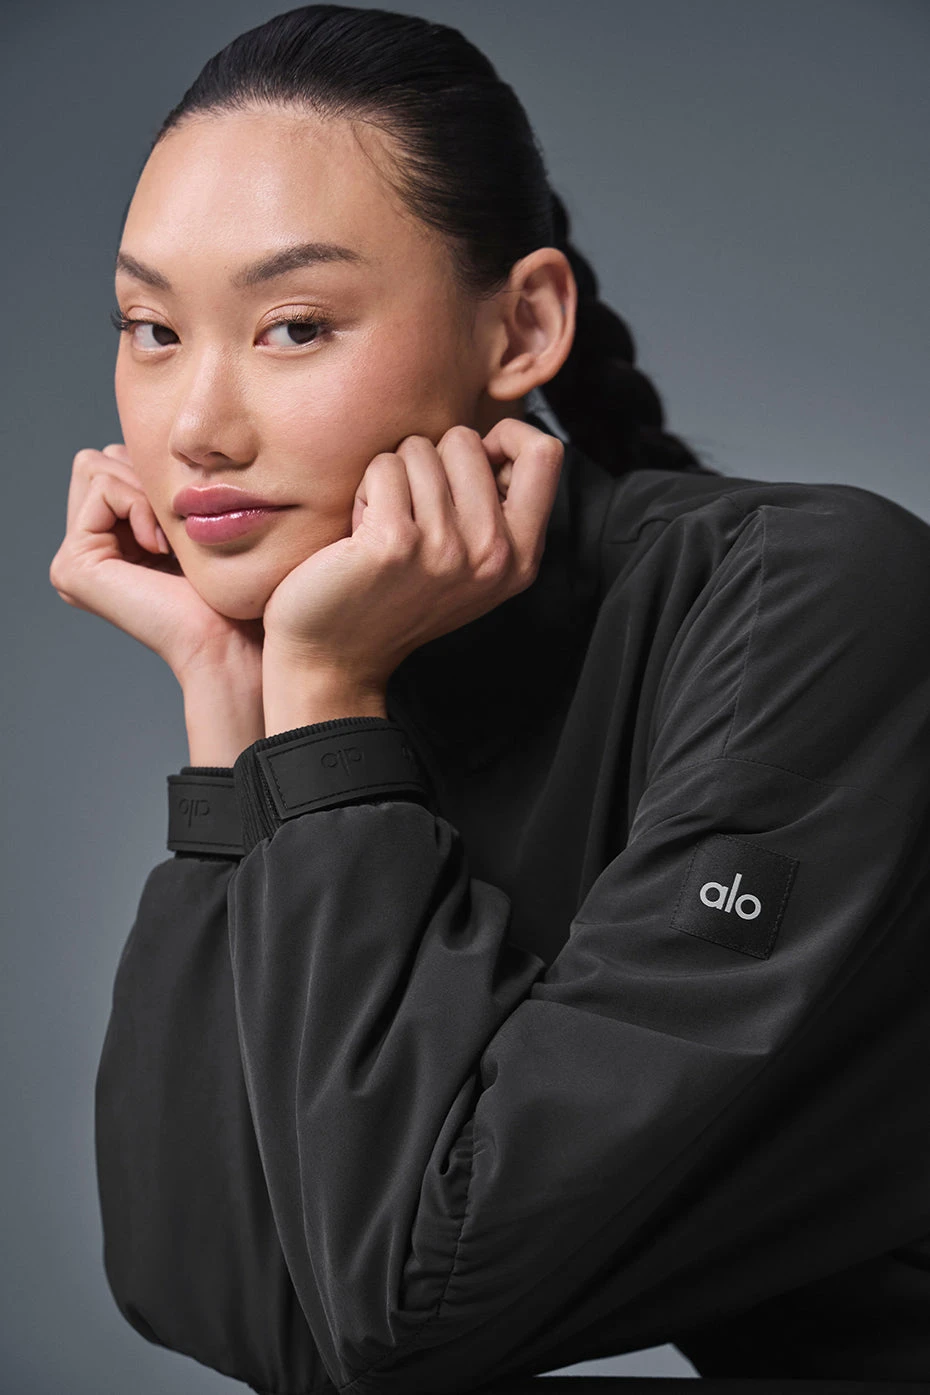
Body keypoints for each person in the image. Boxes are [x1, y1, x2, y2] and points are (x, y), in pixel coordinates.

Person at [48, 6, 930, 1391]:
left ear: (523, 326)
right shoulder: (361, 679)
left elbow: (410, 1315)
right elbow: (225, 1299)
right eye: (151, 329)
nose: (197, 427)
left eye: (292, 326)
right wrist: (237, 705)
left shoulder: (814, 603)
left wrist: (323, 705)